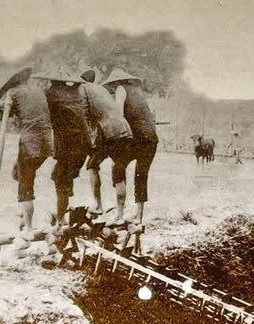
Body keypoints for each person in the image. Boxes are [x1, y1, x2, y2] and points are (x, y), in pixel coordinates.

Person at [0, 68, 53, 238]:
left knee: (25, 183)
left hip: (30, 142)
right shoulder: (38, 90)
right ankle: (21, 216)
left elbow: (2, 114)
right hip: (47, 141)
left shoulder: (13, 92)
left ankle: (28, 227)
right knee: (18, 173)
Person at [101, 68, 159, 225]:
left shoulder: (120, 89)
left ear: (116, 82)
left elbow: (118, 113)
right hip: (151, 138)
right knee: (141, 175)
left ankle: (119, 213)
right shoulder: (138, 91)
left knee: (118, 167)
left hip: (138, 139)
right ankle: (138, 214)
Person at [33, 67, 89, 224]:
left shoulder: (50, 94)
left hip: (69, 144)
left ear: (51, 81)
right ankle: (62, 214)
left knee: (60, 178)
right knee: (65, 177)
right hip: (83, 144)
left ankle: (61, 219)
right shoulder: (74, 93)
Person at [79, 69, 133, 215]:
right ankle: (121, 211)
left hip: (109, 132)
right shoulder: (100, 89)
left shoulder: (82, 89)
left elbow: (84, 115)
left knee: (92, 165)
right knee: (119, 168)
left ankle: (97, 205)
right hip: (124, 129)